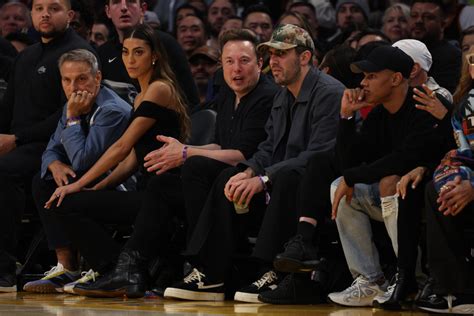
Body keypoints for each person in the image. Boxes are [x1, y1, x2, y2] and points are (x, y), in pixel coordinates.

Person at [69, 28, 279, 298]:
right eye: (229, 61)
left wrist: (186, 152)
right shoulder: (227, 92)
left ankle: (203, 268)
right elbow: (217, 145)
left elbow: (242, 156)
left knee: (193, 167)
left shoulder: (266, 96)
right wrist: (186, 151)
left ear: (259, 63)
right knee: (163, 184)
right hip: (213, 182)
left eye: (244, 61)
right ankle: (131, 267)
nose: (236, 69)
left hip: (250, 184)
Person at [163, 24, 344, 302]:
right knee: (228, 177)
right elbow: (268, 148)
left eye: (282, 54)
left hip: (314, 188)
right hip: (278, 181)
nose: (274, 61)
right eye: (271, 54)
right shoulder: (284, 95)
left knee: (286, 178)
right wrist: (247, 171)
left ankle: (270, 271)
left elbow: (318, 155)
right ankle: (212, 274)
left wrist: (263, 179)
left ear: (305, 57)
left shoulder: (329, 93)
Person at [27, 23, 190, 297]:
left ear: (154, 56)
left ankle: (116, 269)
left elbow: (121, 147)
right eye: (126, 52)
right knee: (66, 198)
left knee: (69, 200)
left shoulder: (159, 89)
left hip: (165, 194)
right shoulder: (141, 96)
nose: (130, 60)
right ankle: (114, 269)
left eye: (139, 52)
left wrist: (79, 186)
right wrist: (96, 188)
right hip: (148, 193)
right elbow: (131, 161)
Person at [327, 45, 446, 307]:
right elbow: (348, 164)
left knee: (389, 181)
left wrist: (353, 175)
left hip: (428, 196)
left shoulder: (423, 104)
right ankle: (370, 280)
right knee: (340, 186)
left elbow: (405, 158)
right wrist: (346, 117)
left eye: (371, 76)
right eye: (364, 77)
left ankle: (409, 276)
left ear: (395, 79)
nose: (362, 83)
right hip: (394, 199)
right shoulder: (379, 115)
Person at [0, 0, 95, 293]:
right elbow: (8, 109)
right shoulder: (26, 56)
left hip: (55, 146)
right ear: (31, 14)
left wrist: (16, 139)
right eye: (39, 7)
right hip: (20, 144)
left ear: (69, 15)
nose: (45, 14)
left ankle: (3, 269)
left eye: (53, 8)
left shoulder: (78, 54)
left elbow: (69, 111)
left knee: (3, 172)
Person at [22, 49, 131, 293]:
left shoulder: (112, 110)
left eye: (82, 78)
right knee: (44, 181)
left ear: (98, 77)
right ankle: (66, 266)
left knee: (69, 192)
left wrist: (72, 119)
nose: (74, 87)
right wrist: (54, 163)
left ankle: (103, 267)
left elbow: (84, 161)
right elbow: (51, 149)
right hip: (89, 179)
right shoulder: (73, 104)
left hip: (117, 185)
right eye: (67, 80)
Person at [415, 49, 474, 315]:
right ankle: (454, 289)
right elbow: (463, 152)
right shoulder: (463, 105)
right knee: (437, 189)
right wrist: (454, 177)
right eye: (472, 60)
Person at [99, 0, 199, 110]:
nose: (124, 8)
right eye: (116, 2)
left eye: (131, 2)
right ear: (108, 11)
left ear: (143, 9)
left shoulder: (165, 44)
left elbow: (190, 99)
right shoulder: (103, 53)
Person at [408, 0, 461, 94]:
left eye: (428, 17)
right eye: (414, 16)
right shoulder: (398, 49)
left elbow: (444, 95)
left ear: (443, 24)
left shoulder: (452, 55)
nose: (418, 21)